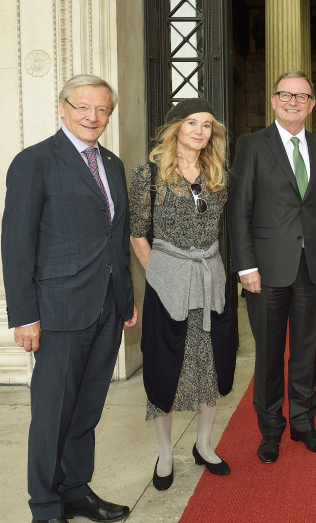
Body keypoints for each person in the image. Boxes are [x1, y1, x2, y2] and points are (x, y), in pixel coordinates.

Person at [1, 74, 137, 523]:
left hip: (106, 307)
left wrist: (127, 297)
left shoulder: (113, 163)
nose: (93, 117)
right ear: (62, 107)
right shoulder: (34, 161)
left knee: (86, 410)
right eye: (83, 107)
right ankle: (45, 506)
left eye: (102, 110)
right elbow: (17, 244)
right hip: (58, 311)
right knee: (52, 416)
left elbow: (116, 236)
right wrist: (24, 315)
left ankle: (76, 491)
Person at [229, 70, 316, 464]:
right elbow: (239, 210)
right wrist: (245, 265)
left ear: (312, 105)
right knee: (268, 354)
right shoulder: (252, 145)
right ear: (274, 101)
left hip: (312, 267)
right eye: (286, 95)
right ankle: (270, 429)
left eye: (302, 97)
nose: (294, 102)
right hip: (265, 268)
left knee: (306, 351)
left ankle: (303, 422)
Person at [129, 98, 237, 490]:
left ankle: (204, 445)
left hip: (210, 281)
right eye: (192, 122)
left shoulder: (217, 174)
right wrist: (159, 274)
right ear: (176, 127)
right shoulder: (149, 175)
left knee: (209, 366)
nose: (199, 131)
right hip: (168, 284)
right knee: (164, 368)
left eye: (207, 125)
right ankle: (164, 451)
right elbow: (137, 232)